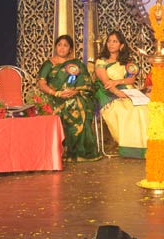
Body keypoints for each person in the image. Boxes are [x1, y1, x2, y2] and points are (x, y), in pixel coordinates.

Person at [37, 35, 100, 161]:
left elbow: (87, 83)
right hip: (54, 98)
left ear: (70, 49)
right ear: (55, 46)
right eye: (59, 44)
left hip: (76, 96)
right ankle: (67, 150)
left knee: (78, 103)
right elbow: (41, 83)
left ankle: (80, 152)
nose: (62, 48)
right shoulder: (49, 64)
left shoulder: (77, 64)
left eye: (65, 45)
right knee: (72, 104)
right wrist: (56, 93)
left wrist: (75, 90)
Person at [95, 30, 148, 158]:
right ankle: (130, 149)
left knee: (143, 108)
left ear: (121, 45)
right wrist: (118, 92)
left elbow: (131, 80)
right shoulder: (101, 61)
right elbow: (106, 82)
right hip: (107, 94)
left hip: (126, 91)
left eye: (115, 41)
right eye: (109, 41)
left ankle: (146, 148)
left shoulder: (127, 62)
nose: (111, 44)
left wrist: (118, 81)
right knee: (125, 111)